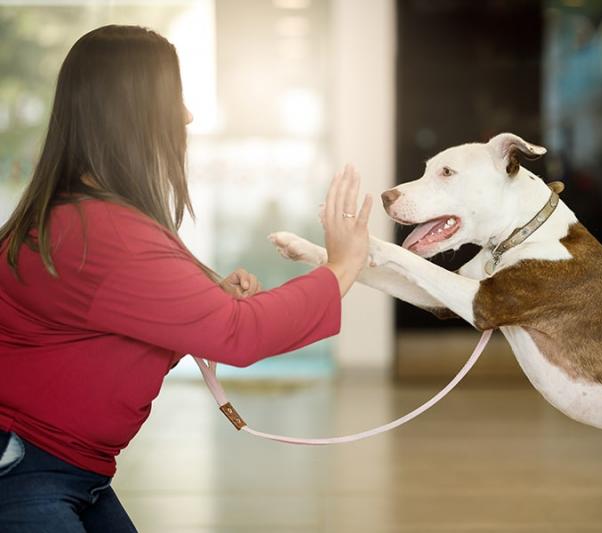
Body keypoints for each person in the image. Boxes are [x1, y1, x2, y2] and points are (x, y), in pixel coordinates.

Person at [0, 25, 372, 532]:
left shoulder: (81, 216)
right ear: (134, 113)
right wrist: (342, 266)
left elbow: (105, 329)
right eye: (175, 98)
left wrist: (200, 302)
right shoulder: (103, 232)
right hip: (28, 469)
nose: (188, 115)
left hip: (64, 467)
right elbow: (238, 333)